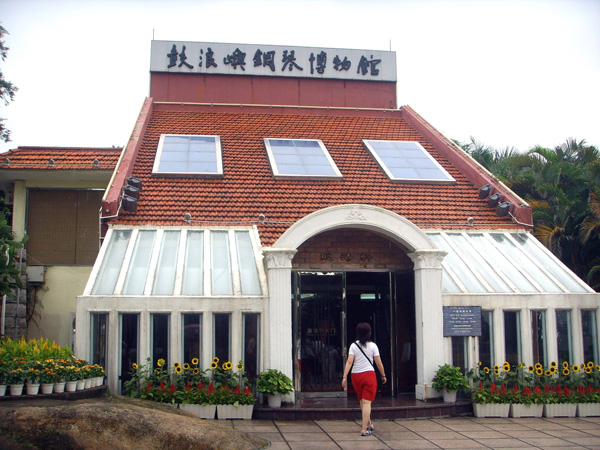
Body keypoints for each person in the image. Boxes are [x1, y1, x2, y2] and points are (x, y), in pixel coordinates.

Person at [341, 322, 387, 436]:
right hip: (369, 375)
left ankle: (369, 423)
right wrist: (383, 375)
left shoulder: (353, 346)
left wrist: (344, 376)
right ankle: (364, 428)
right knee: (367, 402)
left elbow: (349, 362)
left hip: (356, 375)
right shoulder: (373, 346)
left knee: (362, 400)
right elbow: (379, 363)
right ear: (369, 333)